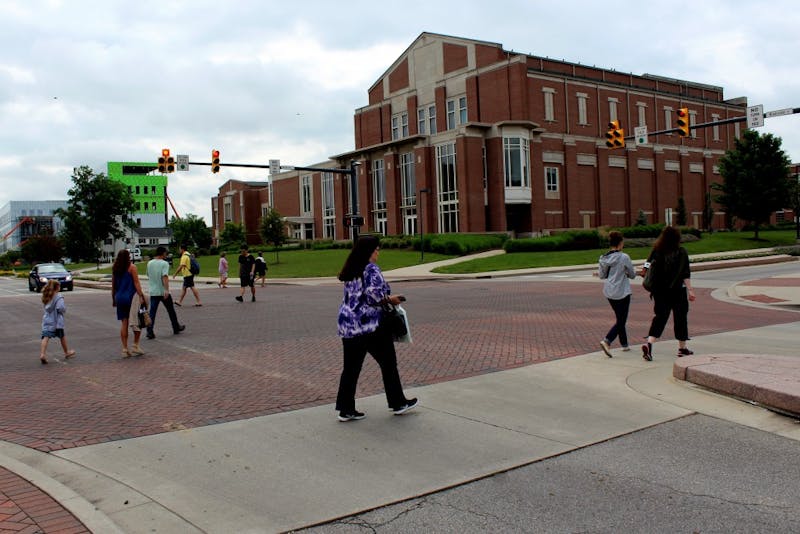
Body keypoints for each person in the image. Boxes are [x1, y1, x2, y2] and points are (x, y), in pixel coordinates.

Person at [335, 235, 417, 422]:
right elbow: (374, 297)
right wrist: (392, 299)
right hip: (371, 326)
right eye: (376, 248)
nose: (378, 251)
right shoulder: (371, 269)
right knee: (388, 363)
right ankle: (398, 402)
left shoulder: (351, 269)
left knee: (350, 369)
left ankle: (346, 409)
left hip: (349, 326)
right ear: (369, 251)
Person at [641, 225, 696, 361]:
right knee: (680, 318)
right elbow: (685, 273)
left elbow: (647, 264)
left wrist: (644, 271)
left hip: (659, 291)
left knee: (659, 317)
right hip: (677, 291)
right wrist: (690, 290)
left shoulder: (656, 250)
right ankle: (682, 348)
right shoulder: (681, 252)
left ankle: (650, 343)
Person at [597, 231, 636, 358]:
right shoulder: (624, 257)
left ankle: (625, 344)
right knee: (621, 320)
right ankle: (607, 340)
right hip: (622, 292)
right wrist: (625, 272)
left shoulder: (603, 258)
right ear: (620, 243)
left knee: (620, 317)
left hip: (609, 292)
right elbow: (632, 274)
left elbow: (602, 276)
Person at [112, 249, 147, 358]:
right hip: (131, 298)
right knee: (137, 321)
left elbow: (113, 286)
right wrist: (141, 296)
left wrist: (113, 299)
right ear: (128, 257)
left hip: (119, 297)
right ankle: (135, 345)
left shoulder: (115, 268)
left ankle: (124, 348)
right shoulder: (132, 267)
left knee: (124, 323)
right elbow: (136, 283)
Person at [146, 246, 185, 339]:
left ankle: (149, 331)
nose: (166, 254)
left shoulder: (149, 263)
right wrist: (166, 290)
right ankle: (176, 327)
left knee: (152, 312)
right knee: (171, 310)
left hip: (153, 291)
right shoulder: (164, 263)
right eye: (166, 253)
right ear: (163, 253)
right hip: (163, 291)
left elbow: (148, 275)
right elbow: (165, 277)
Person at [40, 279, 76, 364]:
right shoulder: (58, 297)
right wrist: (64, 310)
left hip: (47, 320)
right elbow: (60, 308)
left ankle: (42, 354)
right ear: (57, 287)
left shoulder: (47, 296)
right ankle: (66, 352)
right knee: (62, 337)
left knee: (45, 337)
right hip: (56, 321)